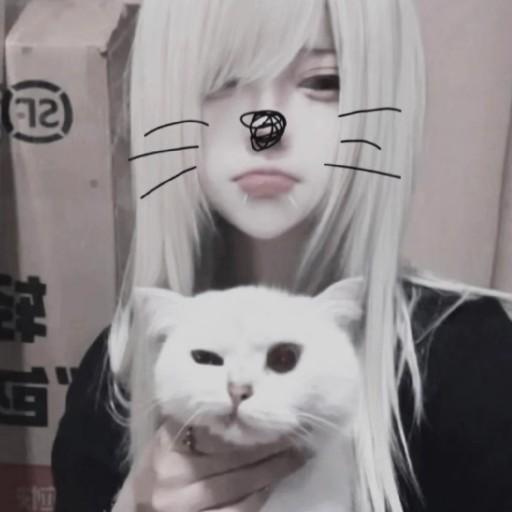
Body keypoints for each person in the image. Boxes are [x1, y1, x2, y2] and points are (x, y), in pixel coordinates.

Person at [51, 1, 512, 511]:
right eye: (221, 80)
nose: (265, 127)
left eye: (322, 82)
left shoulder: (473, 363)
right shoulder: (116, 375)